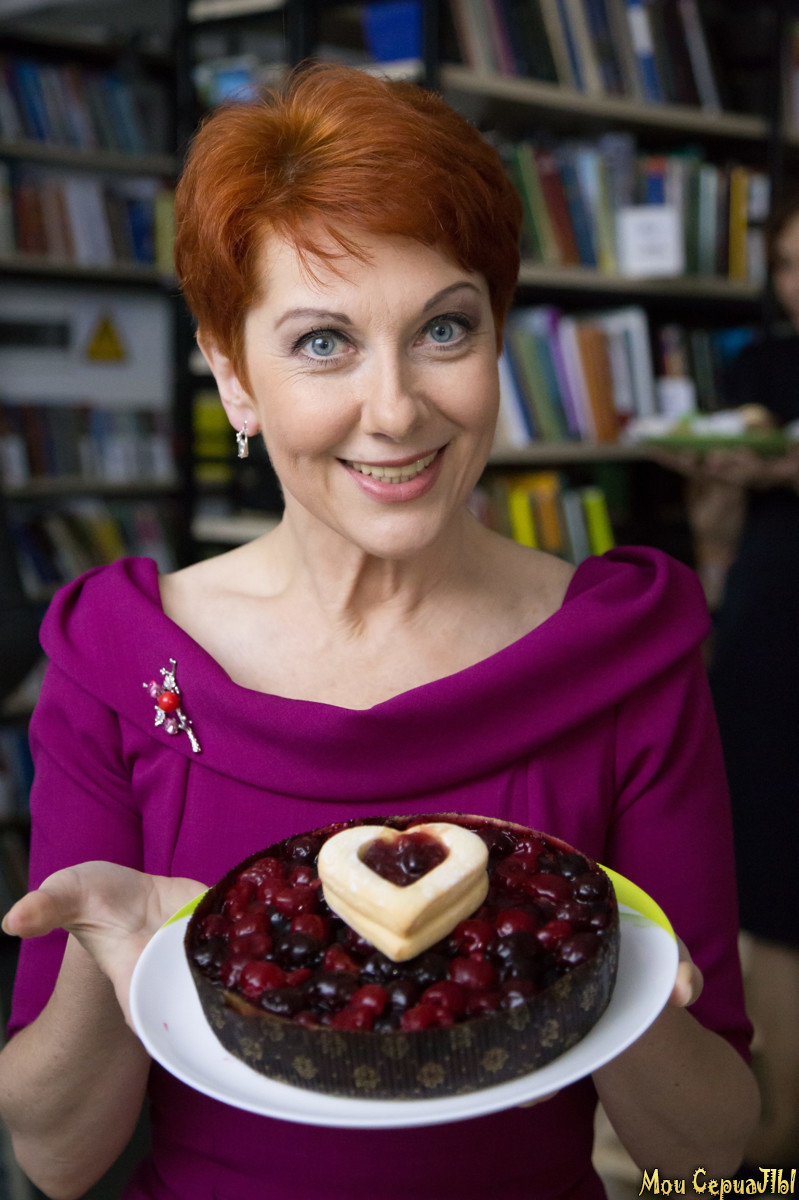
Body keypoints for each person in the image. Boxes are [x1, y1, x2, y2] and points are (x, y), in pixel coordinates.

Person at [0, 65, 758, 1200]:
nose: (396, 410)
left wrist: (611, 973)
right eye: (322, 343)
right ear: (232, 375)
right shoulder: (122, 662)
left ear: (496, 337)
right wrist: (113, 960)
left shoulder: (620, 658)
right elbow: (57, 1162)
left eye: (443, 329)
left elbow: (706, 1161)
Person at [656, 192, 799, 1169]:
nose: (798, 285)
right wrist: (714, 483)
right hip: (766, 633)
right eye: (787, 265)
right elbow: (719, 535)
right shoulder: (759, 365)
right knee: (768, 877)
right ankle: (769, 1138)